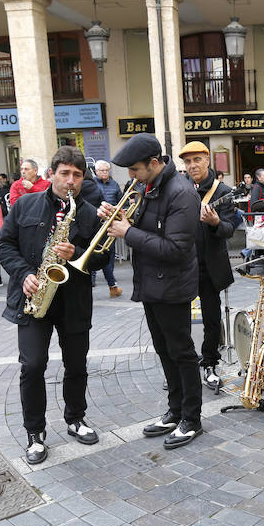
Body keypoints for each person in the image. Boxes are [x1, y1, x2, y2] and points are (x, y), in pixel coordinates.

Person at [0, 150, 108, 464]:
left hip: (73, 300)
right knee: (32, 366)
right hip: (34, 298)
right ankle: (35, 433)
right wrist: (23, 275)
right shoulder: (25, 204)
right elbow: (3, 244)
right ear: (52, 173)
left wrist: (78, 252)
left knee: (76, 365)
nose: (70, 181)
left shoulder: (89, 213)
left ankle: (75, 418)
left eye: (76, 175)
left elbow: (102, 257)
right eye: (64, 174)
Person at [99, 133, 203, 450]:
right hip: (152, 284)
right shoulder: (151, 187)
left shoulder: (182, 193)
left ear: (154, 164)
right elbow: (150, 230)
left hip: (172, 285)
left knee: (182, 352)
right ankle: (175, 410)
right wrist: (122, 219)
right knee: (164, 350)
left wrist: (127, 232)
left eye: (135, 169)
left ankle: (192, 419)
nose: (131, 176)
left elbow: (175, 248)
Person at [179, 141, 243, 389]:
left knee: (212, 319)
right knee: (180, 318)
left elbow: (229, 230)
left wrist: (216, 222)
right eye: (187, 161)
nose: (192, 165)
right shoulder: (180, 188)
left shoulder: (223, 191)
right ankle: (185, 362)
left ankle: (210, 362)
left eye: (197, 160)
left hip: (209, 266)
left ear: (207, 160)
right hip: (182, 265)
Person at [92, 160, 124, 297]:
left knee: (109, 254)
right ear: (96, 171)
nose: (105, 173)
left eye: (107, 170)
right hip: (95, 224)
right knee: (93, 252)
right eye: (102, 171)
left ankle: (112, 284)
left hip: (110, 225)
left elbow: (122, 201)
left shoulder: (115, 184)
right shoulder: (92, 185)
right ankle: (92, 281)